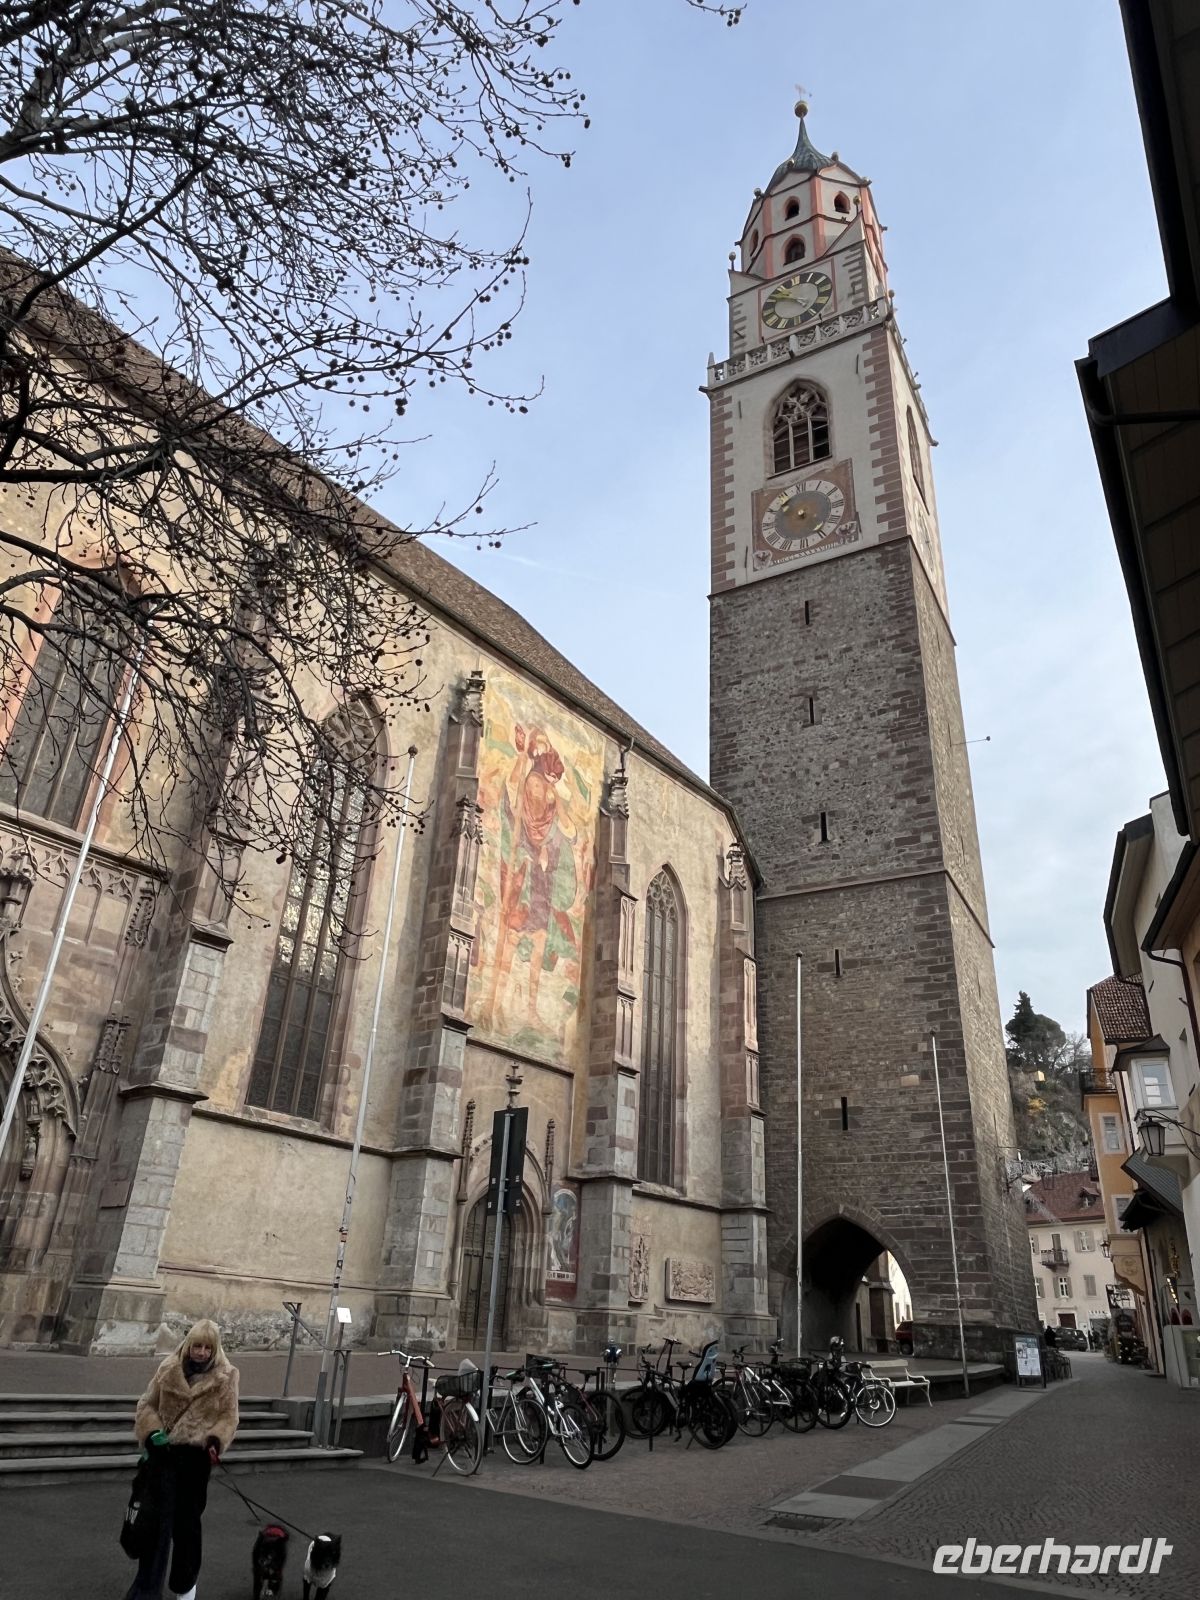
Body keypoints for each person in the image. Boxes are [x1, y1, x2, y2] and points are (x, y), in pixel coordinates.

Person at [125, 1319, 239, 1600]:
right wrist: (151, 1433)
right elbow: (147, 1404)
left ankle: (185, 1587)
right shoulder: (168, 1368)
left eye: (207, 1348)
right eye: (197, 1346)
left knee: (186, 1526)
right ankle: (146, 1590)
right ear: (188, 1344)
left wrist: (215, 1439)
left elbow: (228, 1416)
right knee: (154, 1525)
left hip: (195, 1461)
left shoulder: (227, 1375)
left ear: (215, 1350)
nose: (200, 1353)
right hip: (163, 1457)